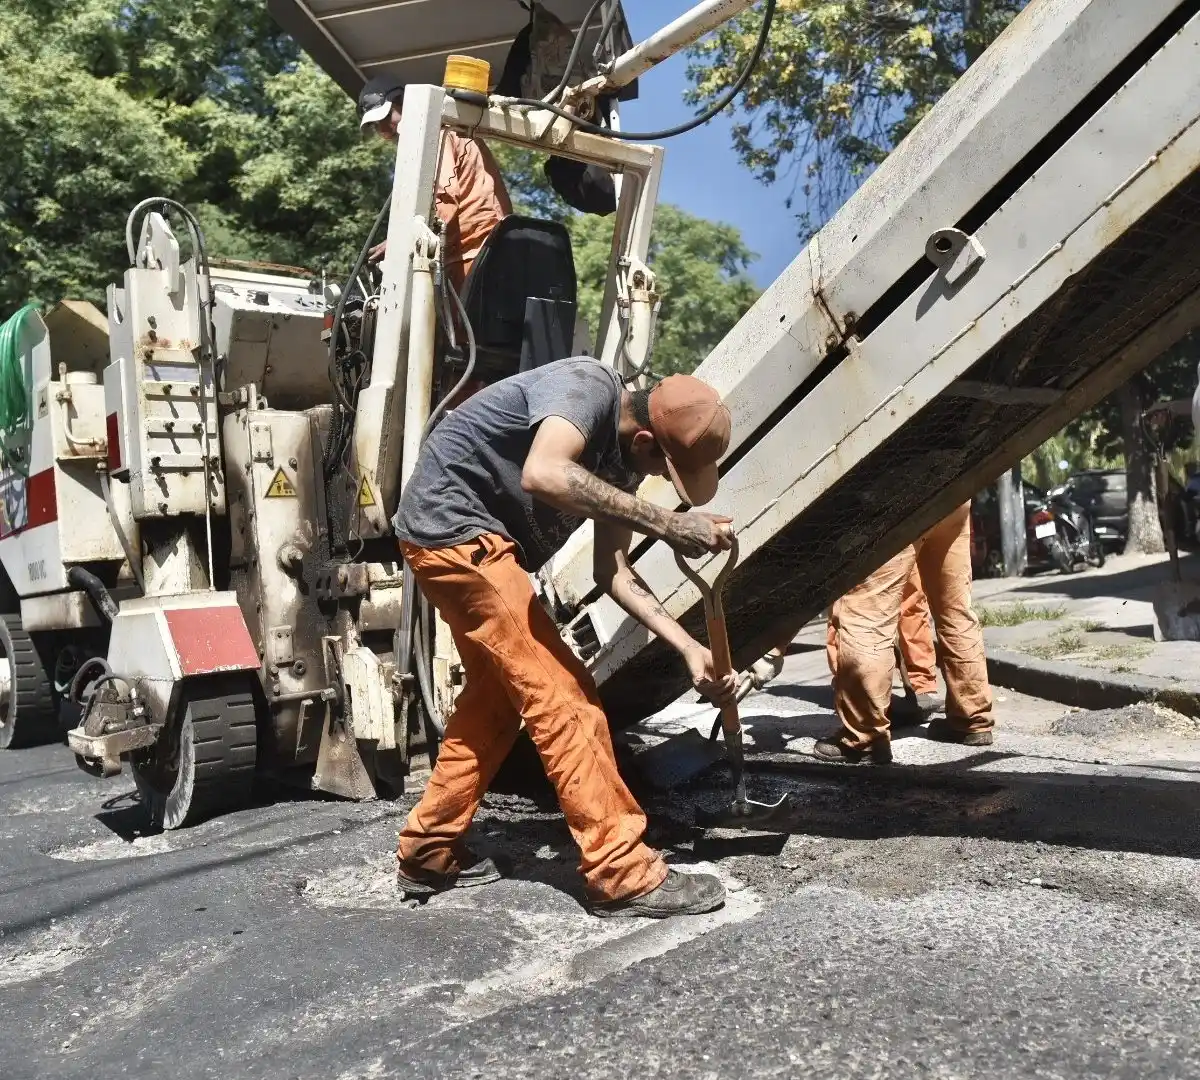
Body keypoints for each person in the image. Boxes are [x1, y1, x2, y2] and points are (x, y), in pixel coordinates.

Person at [392, 358, 738, 918]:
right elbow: (545, 472)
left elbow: (614, 572)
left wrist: (687, 645)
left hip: (464, 542)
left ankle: (428, 850)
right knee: (564, 696)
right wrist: (669, 523)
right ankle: (620, 871)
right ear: (646, 437)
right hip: (456, 530)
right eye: (664, 470)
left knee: (496, 699)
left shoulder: (625, 464)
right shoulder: (586, 388)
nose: (656, 484)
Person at [815, 501, 994, 764]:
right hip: (953, 493)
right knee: (955, 610)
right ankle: (973, 718)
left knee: (867, 613)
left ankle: (864, 736)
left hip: (897, 496)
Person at [358, 75, 512, 292]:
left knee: (463, 325)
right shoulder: (441, 132)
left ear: (404, 102)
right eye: (376, 126)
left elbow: (444, 202)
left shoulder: (439, 132)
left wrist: (401, 242)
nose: (384, 131)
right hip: (468, 253)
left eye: (385, 118)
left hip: (477, 251)